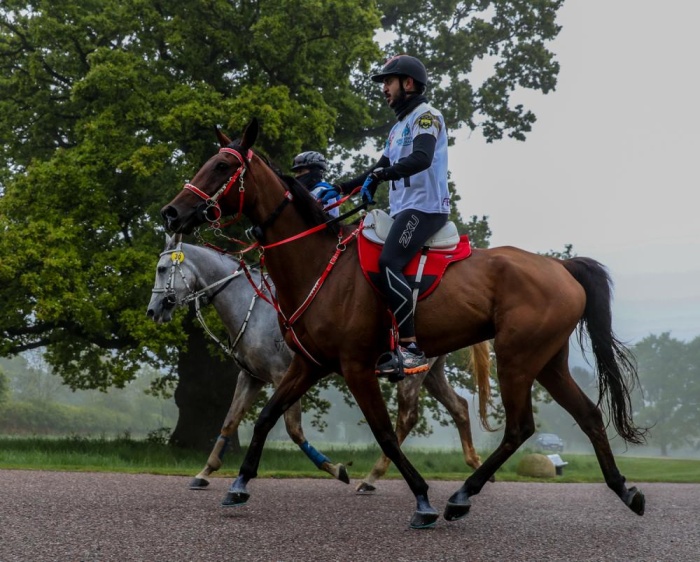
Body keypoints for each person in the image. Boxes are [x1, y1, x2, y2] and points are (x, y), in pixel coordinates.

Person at [319, 54, 450, 377]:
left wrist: (381, 177)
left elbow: (421, 158)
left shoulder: (426, 117)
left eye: (388, 82)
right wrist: (340, 187)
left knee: (389, 261)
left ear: (408, 83)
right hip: (404, 209)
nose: (384, 89)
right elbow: (376, 169)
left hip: (425, 208)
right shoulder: (396, 130)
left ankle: (410, 348)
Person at [290, 151, 339, 218]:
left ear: (314, 172)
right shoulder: (305, 192)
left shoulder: (323, 192)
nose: (296, 176)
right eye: (296, 173)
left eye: (300, 171)